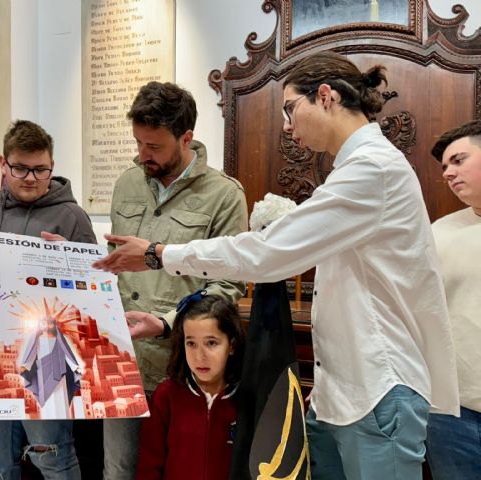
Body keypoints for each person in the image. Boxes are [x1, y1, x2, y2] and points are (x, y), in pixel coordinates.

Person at [94, 51, 460, 480]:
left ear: (325, 97)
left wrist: (159, 254)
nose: (287, 126)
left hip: (378, 389)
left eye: (291, 109)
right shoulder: (353, 170)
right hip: (343, 392)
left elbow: (266, 254)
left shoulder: (373, 170)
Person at [102, 81, 248, 480]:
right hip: (124, 363)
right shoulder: (126, 184)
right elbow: (117, 267)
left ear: (186, 138)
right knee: (119, 471)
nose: (141, 155)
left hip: (183, 365)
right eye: (138, 143)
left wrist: (167, 322)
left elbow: (226, 287)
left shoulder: (225, 195)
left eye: (154, 146)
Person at [0, 120, 96, 480]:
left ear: (52, 168)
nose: (30, 177)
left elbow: (97, 289)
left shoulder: (72, 216)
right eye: (20, 168)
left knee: (53, 457)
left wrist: (75, 262)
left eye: (40, 169)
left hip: (48, 360)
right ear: (2, 164)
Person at [135, 291, 245, 480]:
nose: (200, 356)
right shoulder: (166, 396)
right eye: (191, 344)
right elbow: (149, 467)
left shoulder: (246, 397)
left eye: (211, 343)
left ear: (232, 345)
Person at [425, 120, 481, 479]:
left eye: (459, 160)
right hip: (452, 413)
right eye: (444, 166)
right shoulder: (437, 234)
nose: (448, 173)